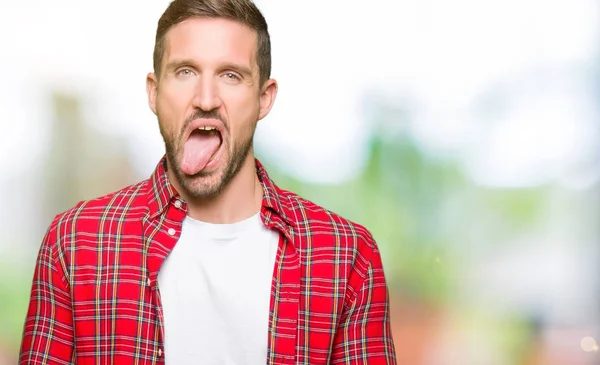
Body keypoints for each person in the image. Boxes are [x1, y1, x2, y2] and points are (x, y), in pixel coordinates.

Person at [19, 0, 397, 363]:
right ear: (154, 92)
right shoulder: (75, 243)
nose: (205, 99)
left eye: (231, 76)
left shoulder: (346, 257)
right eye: (185, 71)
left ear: (264, 98)